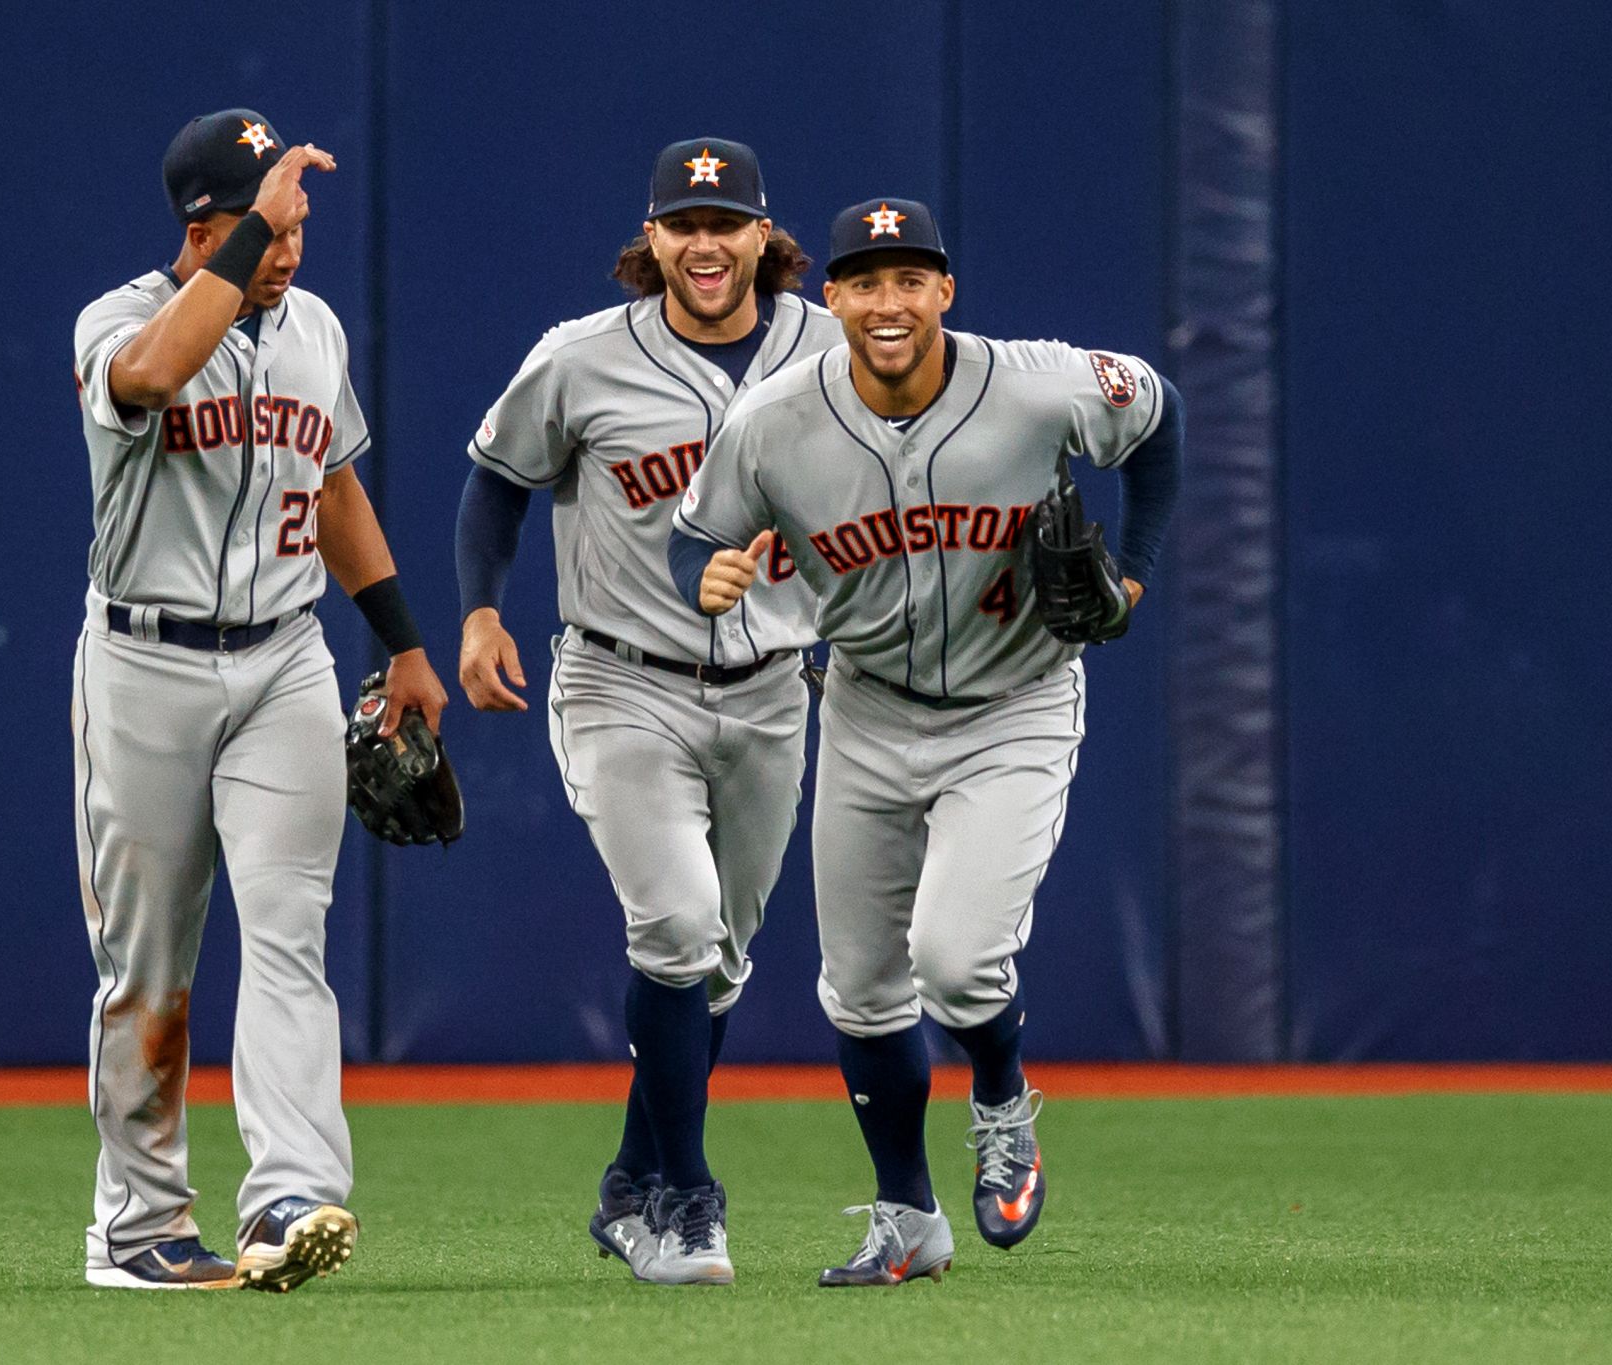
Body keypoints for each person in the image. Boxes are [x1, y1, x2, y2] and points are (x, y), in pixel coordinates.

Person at [670, 197, 1182, 1286]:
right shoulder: (771, 418)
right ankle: (907, 1218)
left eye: (910, 279)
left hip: (1016, 707)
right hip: (862, 706)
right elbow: (696, 531)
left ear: (944, 291)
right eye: (863, 281)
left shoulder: (1039, 382)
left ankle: (998, 1096)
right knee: (855, 988)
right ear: (831, 298)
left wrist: (1131, 573)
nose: (887, 302)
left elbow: (1158, 419)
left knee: (953, 962)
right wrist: (705, 575)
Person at [69, 108, 446, 1292]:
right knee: (148, 963)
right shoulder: (118, 318)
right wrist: (246, 248)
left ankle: (289, 1193)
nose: (287, 245)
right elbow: (151, 375)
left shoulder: (315, 330)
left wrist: (405, 643)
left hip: (287, 656)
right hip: (144, 661)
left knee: (291, 933)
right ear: (199, 225)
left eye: (291, 221)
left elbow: (331, 488)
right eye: (257, 223)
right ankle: (136, 1228)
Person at [453, 138, 838, 1284]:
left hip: (773, 688)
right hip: (622, 680)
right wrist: (478, 616)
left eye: (728, 224)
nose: (708, 244)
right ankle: (681, 1198)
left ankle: (627, 1183)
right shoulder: (579, 358)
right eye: (686, 224)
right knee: (674, 926)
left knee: (716, 964)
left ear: (765, 236)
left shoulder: (827, 347)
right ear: (652, 239)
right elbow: (495, 482)